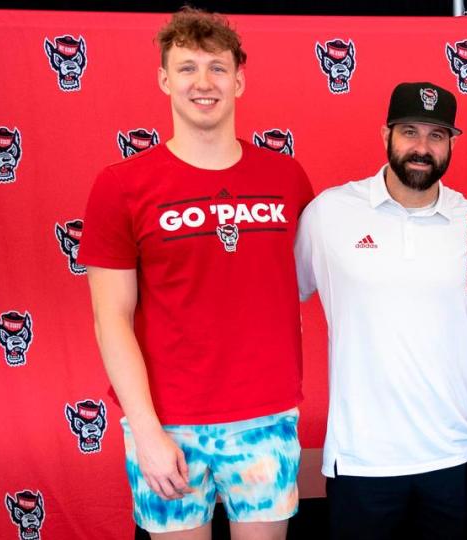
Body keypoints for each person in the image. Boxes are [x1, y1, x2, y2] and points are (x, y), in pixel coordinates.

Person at [78, 8, 313, 539]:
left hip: (265, 417)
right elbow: (109, 318)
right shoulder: (121, 186)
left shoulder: (286, 177)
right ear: (164, 79)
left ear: (240, 79)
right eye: (186, 68)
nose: (202, 83)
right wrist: (145, 430)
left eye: (217, 68)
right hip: (167, 423)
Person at [294, 82, 467, 540]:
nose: (422, 148)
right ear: (386, 134)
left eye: (437, 136)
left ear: (451, 143)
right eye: (410, 132)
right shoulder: (330, 213)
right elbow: (283, 292)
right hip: (362, 458)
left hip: (453, 453)